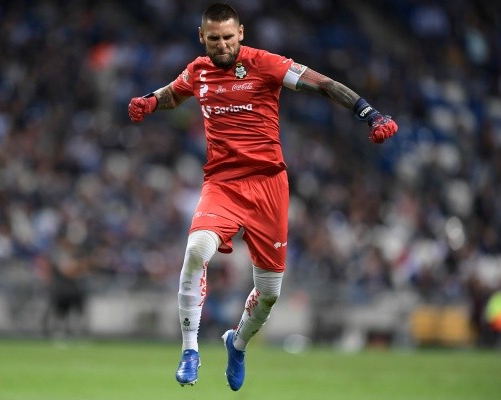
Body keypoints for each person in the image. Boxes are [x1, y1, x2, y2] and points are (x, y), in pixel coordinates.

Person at [128, 3, 398, 391]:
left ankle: (236, 344)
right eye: (214, 39)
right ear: (202, 38)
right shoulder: (197, 70)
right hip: (221, 184)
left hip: (269, 186)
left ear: (241, 34)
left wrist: (368, 113)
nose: (221, 45)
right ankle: (190, 350)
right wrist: (150, 101)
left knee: (269, 294)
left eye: (228, 37)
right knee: (195, 251)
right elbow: (175, 93)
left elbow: (322, 84)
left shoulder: (266, 64)